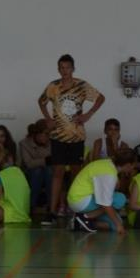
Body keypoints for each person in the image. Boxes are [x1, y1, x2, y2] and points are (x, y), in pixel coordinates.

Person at [38, 54, 105, 225]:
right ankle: (52, 212)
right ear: (58, 69)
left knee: (76, 174)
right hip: (58, 136)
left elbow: (100, 98)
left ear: (73, 68)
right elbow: (41, 101)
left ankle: (77, 211)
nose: (65, 71)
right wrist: (48, 119)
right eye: (61, 67)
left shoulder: (81, 85)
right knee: (58, 173)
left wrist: (88, 114)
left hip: (76, 136)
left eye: (68, 67)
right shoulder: (53, 86)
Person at [67, 147, 135, 234]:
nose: (133, 168)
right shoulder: (109, 174)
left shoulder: (107, 163)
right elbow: (105, 204)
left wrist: (118, 224)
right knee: (120, 199)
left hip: (82, 199)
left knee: (116, 223)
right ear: (128, 165)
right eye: (133, 165)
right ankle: (85, 217)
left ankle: (78, 223)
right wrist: (119, 226)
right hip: (80, 200)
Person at [19, 119, 53, 214]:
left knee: (49, 171)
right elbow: (28, 163)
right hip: (29, 172)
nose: (48, 137)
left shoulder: (52, 142)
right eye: (46, 134)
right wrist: (45, 160)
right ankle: (31, 206)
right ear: (37, 134)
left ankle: (51, 206)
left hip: (47, 171)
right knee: (37, 171)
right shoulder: (24, 143)